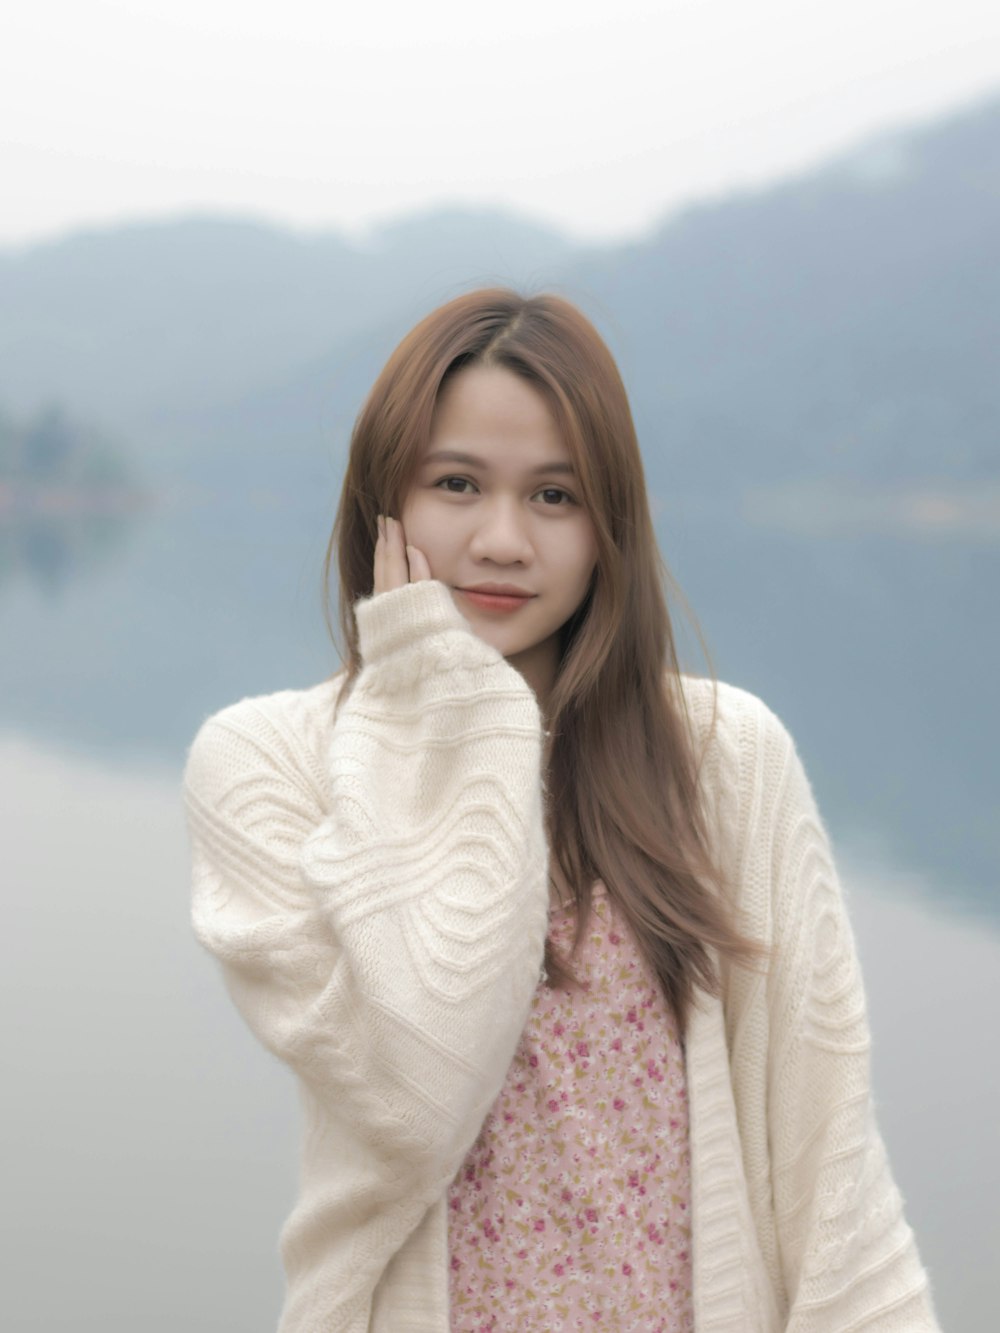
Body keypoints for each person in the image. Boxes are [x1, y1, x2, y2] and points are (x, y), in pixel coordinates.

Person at [182, 288, 941, 1331]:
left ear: (606, 527)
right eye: (456, 484)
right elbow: (416, 1091)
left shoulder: (723, 757)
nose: (502, 540)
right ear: (380, 503)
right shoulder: (269, 763)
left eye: (554, 496)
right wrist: (462, 716)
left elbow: (828, 1164)